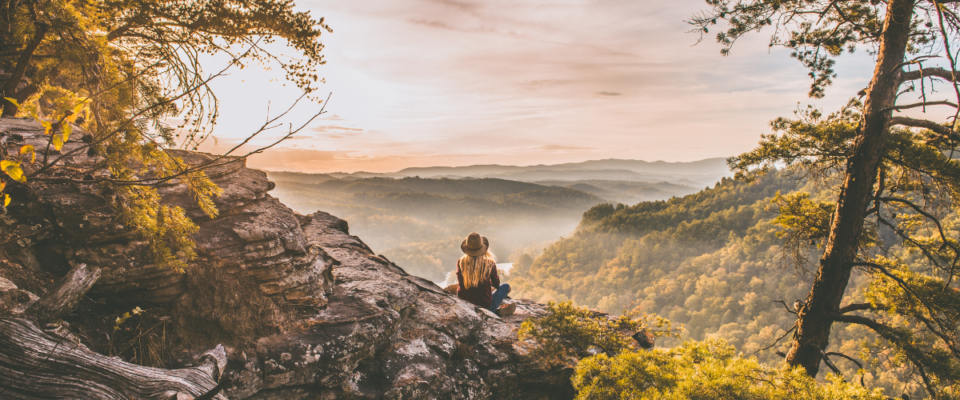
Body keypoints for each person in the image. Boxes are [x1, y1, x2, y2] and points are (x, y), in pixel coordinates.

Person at [457, 232, 515, 317]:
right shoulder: (489, 263)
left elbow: (460, 282)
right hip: (485, 306)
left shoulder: (461, 262)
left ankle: (496, 312)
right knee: (506, 286)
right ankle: (495, 312)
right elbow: (497, 284)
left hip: (465, 306)